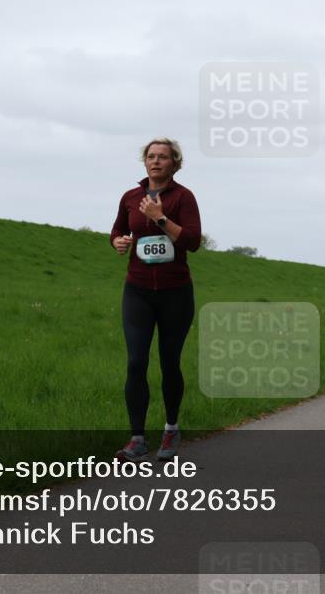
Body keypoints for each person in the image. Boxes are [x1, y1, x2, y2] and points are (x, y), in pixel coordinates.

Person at [110, 138, 201, 462]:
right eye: (151, 156)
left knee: (169, 362)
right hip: (137, 291)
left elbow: (192, 241)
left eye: (163, 157)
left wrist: (161, 218)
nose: (156, 161)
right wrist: (119, 242)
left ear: (175, 163)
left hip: (175, 292)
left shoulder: (183, 197)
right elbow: (118, 231)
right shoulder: (130, 197)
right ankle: (137, 439)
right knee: (136, 362)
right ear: (144, 161)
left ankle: (171, 429)